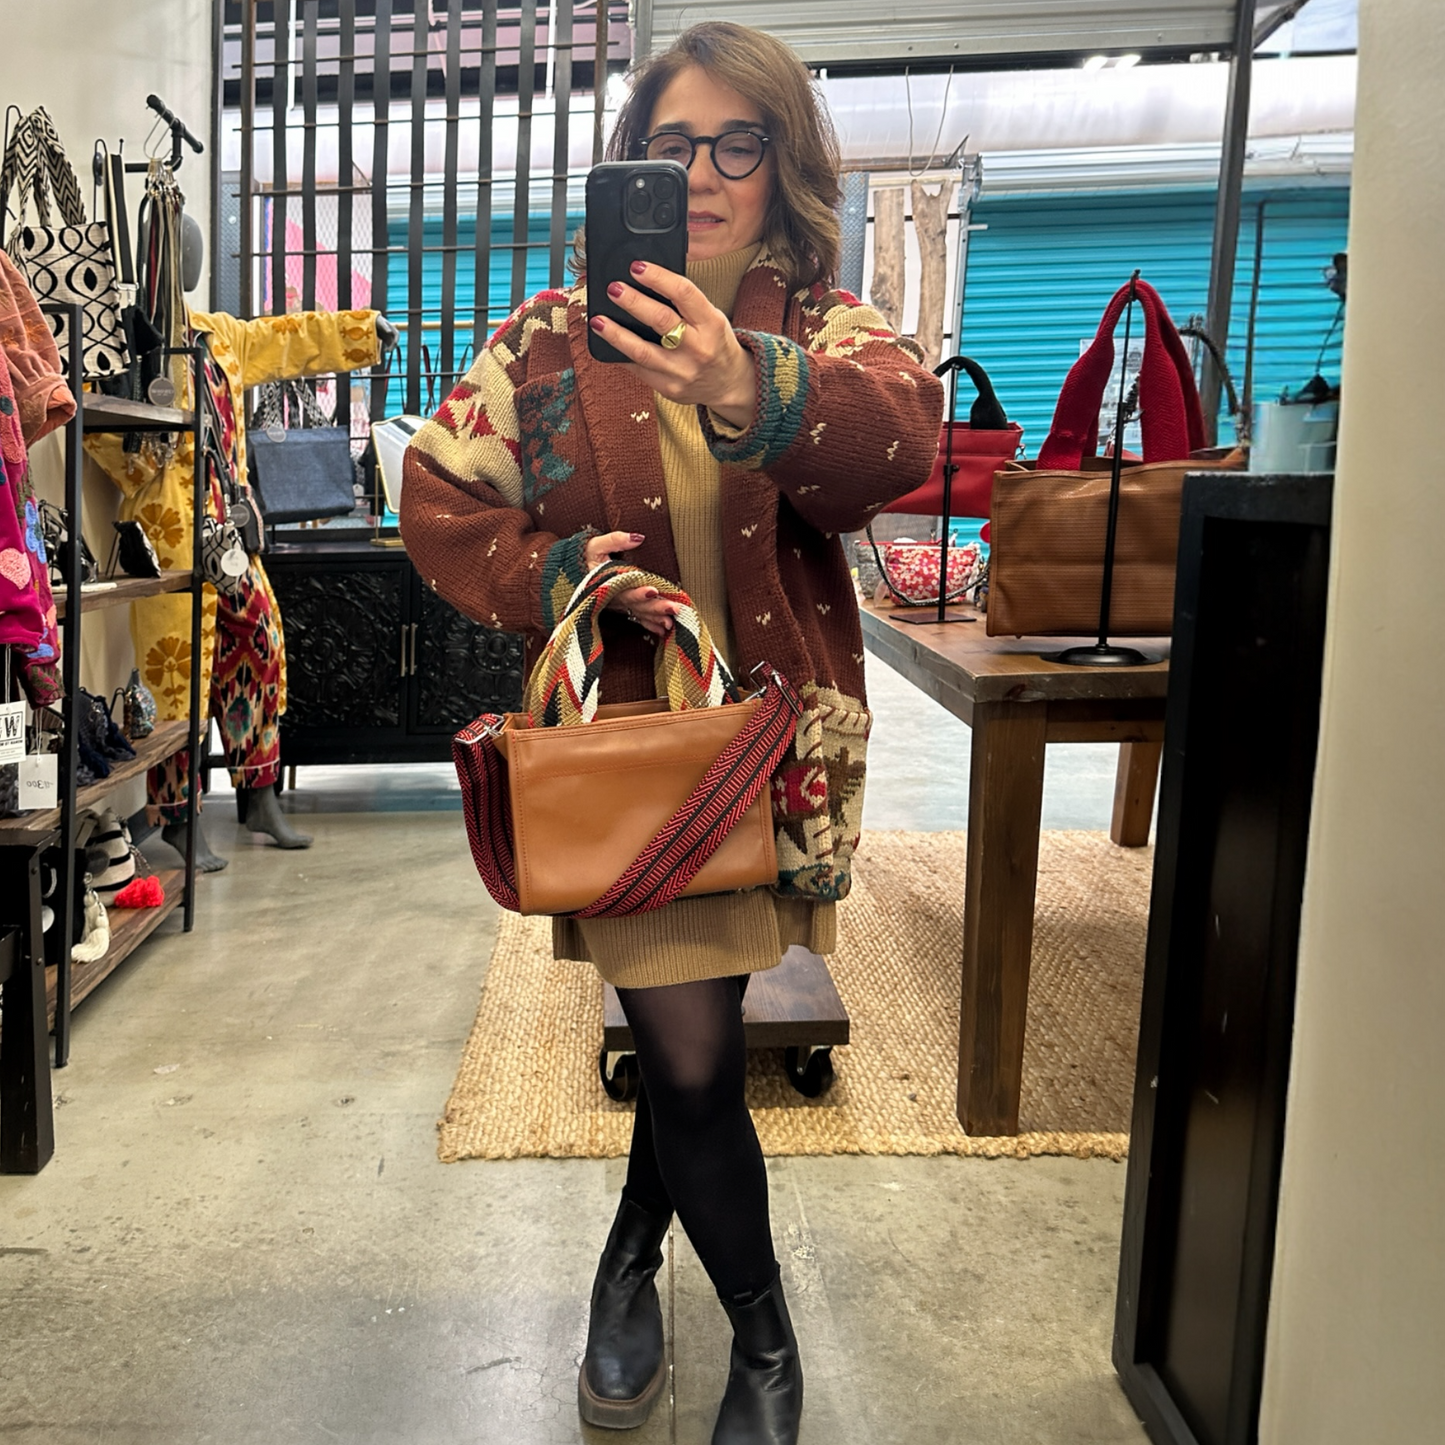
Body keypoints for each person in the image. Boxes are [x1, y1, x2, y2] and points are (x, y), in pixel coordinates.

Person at [401, 21, 942, 1444]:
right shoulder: (546, 341)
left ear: (782, 169)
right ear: (626, 162)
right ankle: (766, 1347)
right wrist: (551, 577)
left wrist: (744, 385)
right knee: (694, 1055)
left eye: (736, 144)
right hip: (633, 767)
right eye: (671, 144)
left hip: (778, 758)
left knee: (685, 1032)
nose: (700, 173)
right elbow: (437, 497)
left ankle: (629, 1263)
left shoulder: (822, 327)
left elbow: (903, 442)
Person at [87, 307, 391, 868]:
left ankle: (259, 795)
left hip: (227, 531)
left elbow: (287, 337)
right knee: (177, 681)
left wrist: (361, 331)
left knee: (261, 650)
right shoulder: (123, 333)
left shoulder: (218, 332)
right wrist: (146, 467)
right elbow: (96, 417)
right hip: (166, 534)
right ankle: (179, 816)